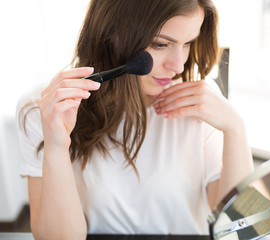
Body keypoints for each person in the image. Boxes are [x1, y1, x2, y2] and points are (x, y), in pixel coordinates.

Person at [16, 0, 254, 239]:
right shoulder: (47, 107)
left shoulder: (200, 103)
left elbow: (236, 227)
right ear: (112, 34)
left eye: (188, 43)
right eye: (161, 44)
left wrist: (235, 128)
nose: (178, 65)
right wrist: (56, 146)